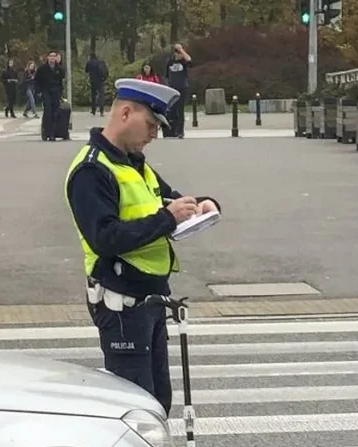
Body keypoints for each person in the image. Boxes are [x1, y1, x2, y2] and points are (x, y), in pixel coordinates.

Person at [65, 78, 222, 415]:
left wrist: (203, 204)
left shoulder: (133, 162)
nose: (154, 134)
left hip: (149, 299)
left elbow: (170, 200)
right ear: (125, 113)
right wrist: (167, 219)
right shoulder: (92, 170)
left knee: (158, 400)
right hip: (121, 303)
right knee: (136, 408)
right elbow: (104, 238)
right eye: (151, 125)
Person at [164, 43, 193, 138]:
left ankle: (181, 131)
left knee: (180, 110)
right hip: (172, 88)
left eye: (181, 53)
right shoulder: (170, 62)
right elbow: (166, 76)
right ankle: (173, 130)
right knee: (172, 109)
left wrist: (181, 50)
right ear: (175, 54)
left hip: (182, 88)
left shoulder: (184, 62)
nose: (180, 55)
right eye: (178, 53)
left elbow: (189, 60)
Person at [35, 51, 65, 141]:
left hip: (56, 92)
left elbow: (61, 82)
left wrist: (60, 93)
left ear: (56, 58)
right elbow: (37, 81)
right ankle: (46, 132)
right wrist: (39, 92)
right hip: (46, 91)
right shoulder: (42, 69)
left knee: (55, 113)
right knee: (48, 111)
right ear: (47, 57)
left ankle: (52, 133)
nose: (52, 58)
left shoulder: (60, 69)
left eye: (54, 56)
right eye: (50, 56)